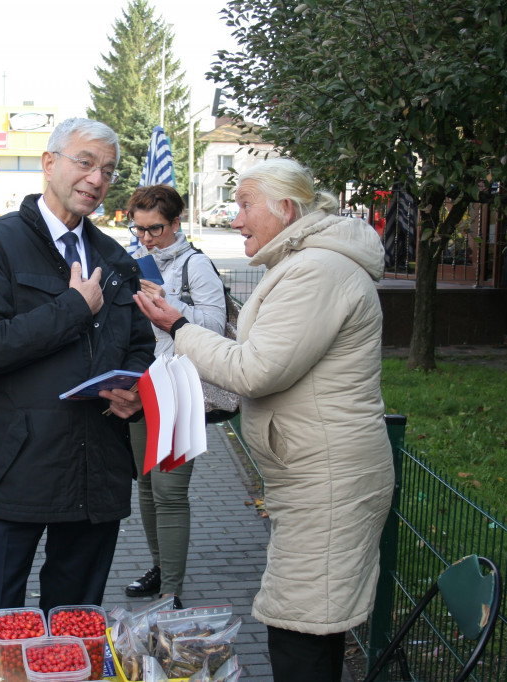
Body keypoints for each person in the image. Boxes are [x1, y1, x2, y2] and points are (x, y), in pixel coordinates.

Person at [134, 158, 395, 682]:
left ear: (287, 209)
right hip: (313, 478)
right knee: (307, 618)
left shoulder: (318, 271)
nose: (235, 220)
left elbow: (254, 371)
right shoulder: (306, 265)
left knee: (299, 624)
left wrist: (178, 324)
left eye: (245, 205)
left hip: (327, 482)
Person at [0, 117, 155, 656]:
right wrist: (71, 308)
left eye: (107, 170)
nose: (96, 178)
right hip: (14, 471)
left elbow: (139, 345)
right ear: (49, 163)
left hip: (95, 475)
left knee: (74, 632)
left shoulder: (115, 258)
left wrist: (136, 393)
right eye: (85, 162)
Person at [123, 184, 226, 610]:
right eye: (139, 229)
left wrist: (172, 303)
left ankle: (172, 590)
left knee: (169, 492)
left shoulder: (195, 265)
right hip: (140, 385)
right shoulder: (136, 262)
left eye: (156, 229)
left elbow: (216, 327)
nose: (146, 238)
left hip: (181, 385)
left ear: (177, 223)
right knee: (147, 488)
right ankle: (160, 568)